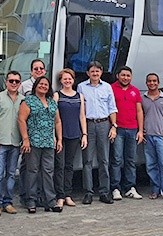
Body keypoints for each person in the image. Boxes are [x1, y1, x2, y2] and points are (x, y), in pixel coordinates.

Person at [18, 76, 63, 213]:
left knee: (48, 171)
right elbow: (21, 119)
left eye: (46, 84)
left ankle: (50, 200)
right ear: (36, 85)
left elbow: (57, 122)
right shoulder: (28, 101)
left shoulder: (52, 102)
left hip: (49, 142)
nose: (43, 86)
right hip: (33, 142)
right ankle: (31, 200)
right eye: (41, 84)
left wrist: (59, 139)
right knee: (32, 171)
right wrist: (25, 139)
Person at [77, 61, 117, 205]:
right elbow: (80, 109)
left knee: (104, 160)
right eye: (92, 71)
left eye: (97, 71)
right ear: (88, 73)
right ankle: (88, 192)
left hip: (104, 124)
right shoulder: (81, 87)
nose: (95, 74)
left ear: (101, 72)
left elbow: (112, 108)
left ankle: (104, 192)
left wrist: (114, 126)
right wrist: (83, 132)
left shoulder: (107, 87)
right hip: (88, 124)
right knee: (87, 160)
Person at [0, 71, 23, 216]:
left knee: (11, 174)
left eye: (16, 81)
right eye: (11, 81)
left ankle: (8, 202)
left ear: (20, 83)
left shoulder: (24, 100)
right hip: (1, 142)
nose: (14, 83)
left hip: (16, 142)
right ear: (6, 82)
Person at [53, 68, 87, 208]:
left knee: (69, 166)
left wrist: (84, 134)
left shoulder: (79, 96)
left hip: (74, 134)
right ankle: (59, 195)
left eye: (70, 78)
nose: (67, 81)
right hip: (61, 135)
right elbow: (54, 118)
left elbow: (82, 116)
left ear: (73, 80)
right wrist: (54, 136)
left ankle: (68, 194)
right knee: (59, 166)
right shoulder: (57, 95)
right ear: (61, 81)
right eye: (65, 79)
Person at [109, 66, 144, 201]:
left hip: (132, 129)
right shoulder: (111, 88)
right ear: (118, 76)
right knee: (117, 159)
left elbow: (139, 111)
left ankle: (130, 187)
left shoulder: (135, 91)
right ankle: (115, 188)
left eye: (128, 75)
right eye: (123, 75)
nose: (125, 78)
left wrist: (140, 130)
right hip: (118, 129)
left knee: (130, 160)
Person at [140, 73, 163, 201]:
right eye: (149, 81)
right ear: (146, 83)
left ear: (158, 82)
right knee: (151, 165)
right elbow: (140, 114)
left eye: (155, 81)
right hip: (148, 136)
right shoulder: (142, 98)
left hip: (162, 136)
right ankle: (155, 190)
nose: (152, 83)